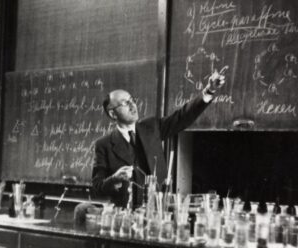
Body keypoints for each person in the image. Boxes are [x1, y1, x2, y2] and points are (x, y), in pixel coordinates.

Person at [92, 72, 225, 208]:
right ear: (113, 114)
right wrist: (114, 178)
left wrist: (209, 91)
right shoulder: (104, 145)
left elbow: (182, 116)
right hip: (124, 218)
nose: (133, 106)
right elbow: (97, 188)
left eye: (132, 100)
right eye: (125, 103)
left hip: (158, 211)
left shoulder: (151, 127)